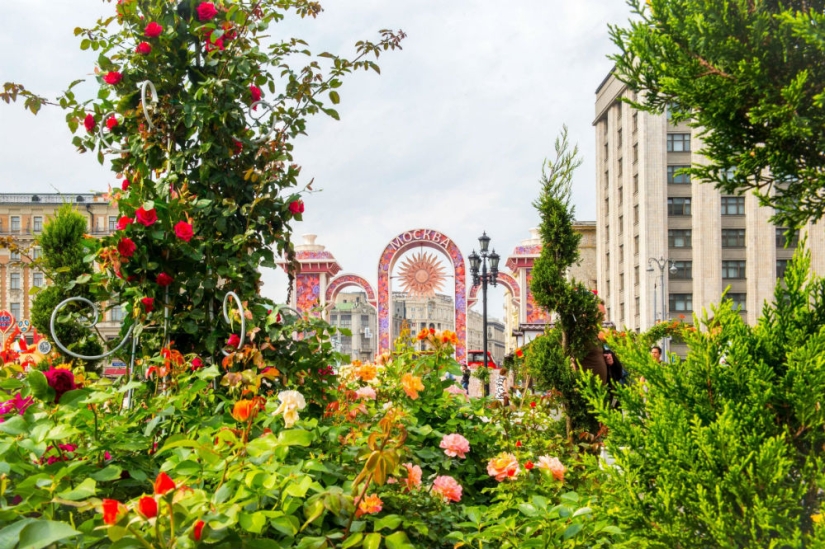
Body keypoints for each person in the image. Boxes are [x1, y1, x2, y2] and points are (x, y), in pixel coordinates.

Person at [577, 300, 609, 385]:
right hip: (586, 387)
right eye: (601, 315)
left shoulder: (595, 334)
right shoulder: (580, 335)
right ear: (591, 314)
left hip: (599, 388)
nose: (604, 319)